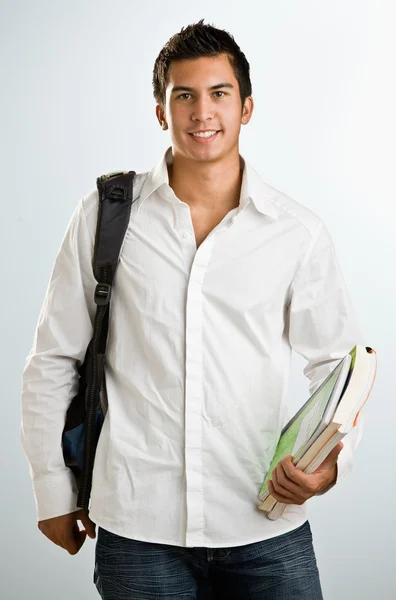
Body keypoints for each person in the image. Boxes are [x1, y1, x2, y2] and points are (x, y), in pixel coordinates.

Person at [21, 19, 364, 600]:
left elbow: (339, 367)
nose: (202, 112)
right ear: (161, 110)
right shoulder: (106, 216)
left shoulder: (296, 233)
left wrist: (328, 465)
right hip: (137, 527)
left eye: (219, 94)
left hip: (265, 523)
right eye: (184, 95)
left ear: (247, 107)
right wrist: (52, 491)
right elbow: (53, 360)